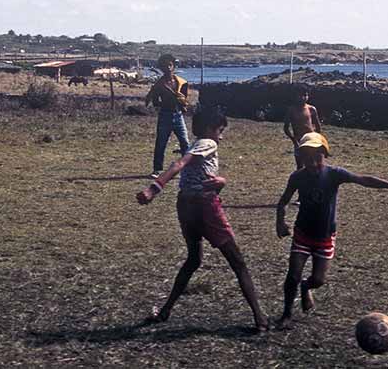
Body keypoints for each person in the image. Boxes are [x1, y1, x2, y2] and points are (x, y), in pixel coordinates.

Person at [136, 105, 268, 331]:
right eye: (220, 130)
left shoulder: (195, 145)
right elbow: (178, 164)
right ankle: (260, 318)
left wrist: (221, 182)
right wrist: (153, 189)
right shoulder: (208, 143)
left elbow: (200, 177)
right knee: (238, 262)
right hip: (204, 207)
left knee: (194, 260)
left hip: (185, 205)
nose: (221, 136)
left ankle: (166, 310)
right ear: (209, 129)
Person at [274, 133, 388, 327]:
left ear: (325, 155)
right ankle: (286, 314)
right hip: (303, 233)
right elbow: (283, 201)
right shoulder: (297, 177)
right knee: (293, 274)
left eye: (317, 158)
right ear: (301, 158)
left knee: (319, 279)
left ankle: (306, 287)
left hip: (325, 237)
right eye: (307, 159)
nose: (313, 163)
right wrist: (280, 222)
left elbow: (364, 179)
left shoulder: (334, 174)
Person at [144, 53, 190, 179]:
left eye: (170, 65)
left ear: (173, 66)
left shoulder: (181, 82)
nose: (168, 68)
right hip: (165, 115)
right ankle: (157, 170)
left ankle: (188, 168)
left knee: (185, 143)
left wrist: (182, 103)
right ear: (162, 68)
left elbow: (185, 99)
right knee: (161, 143)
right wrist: (166, 102)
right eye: (165, 66)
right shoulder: (159, 85)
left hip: (178, 115)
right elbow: (154, 101)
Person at [283, 85, 321, 169]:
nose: (303, 97)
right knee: (300, 165)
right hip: (299, 141)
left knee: (314, 164)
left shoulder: (311, 109)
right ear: (295, 96)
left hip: (311, 140)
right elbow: (286, 128)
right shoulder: (291, 110)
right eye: (300, 95)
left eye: (305, 95)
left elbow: (317, 125)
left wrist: (317, 138)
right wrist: (294, 140)